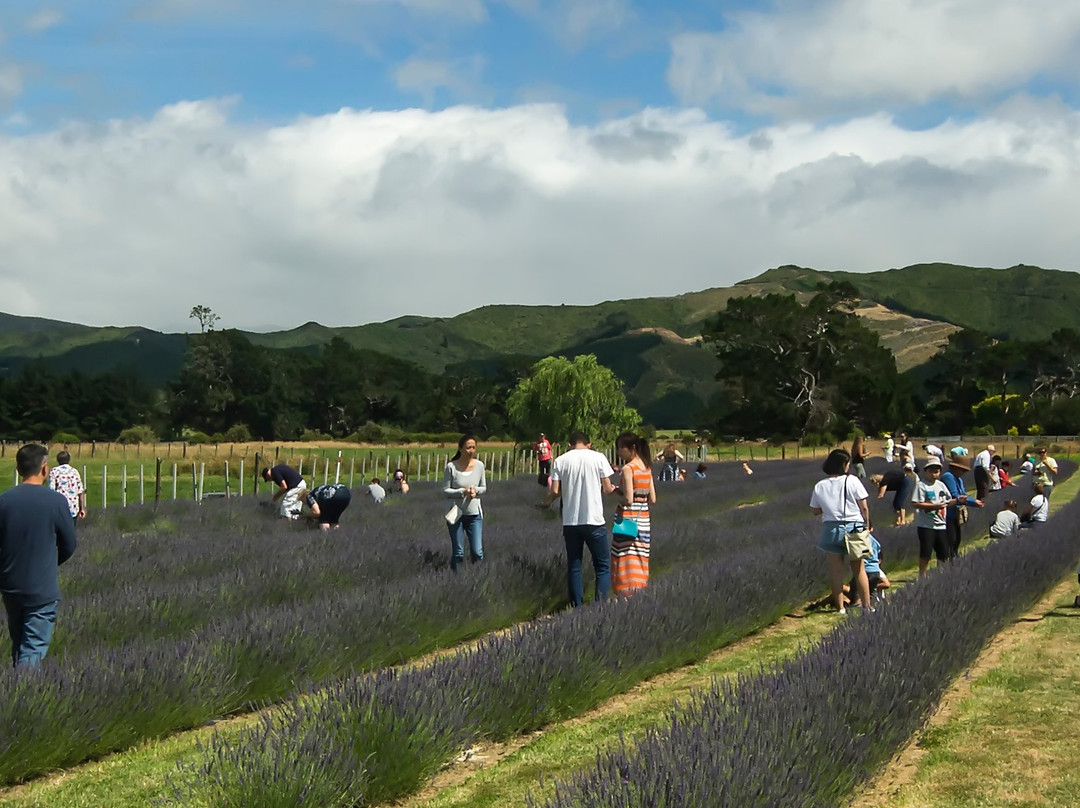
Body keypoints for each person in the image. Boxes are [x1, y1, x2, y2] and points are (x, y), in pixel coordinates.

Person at [0, 444, 77, 666]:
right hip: (42, 587)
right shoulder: (56, 502)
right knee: (33, 648)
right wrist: (50, 562)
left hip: (10, 585)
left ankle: (14, 690)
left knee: (19, 643)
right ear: (45, 468)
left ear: (18, 469)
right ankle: (23, 695)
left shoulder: (4, 501)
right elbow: (69, 545)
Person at [543, 430, 617, 606]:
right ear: (588, 444)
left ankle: (577, 605)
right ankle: (600, 605)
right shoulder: (598, 457)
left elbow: (554, 491)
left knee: (574, 566)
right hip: (594, 520)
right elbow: (607, 489)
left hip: (571, 521)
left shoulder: (561, 460)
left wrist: (544, 503)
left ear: (570, 444)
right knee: (602, 565)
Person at [809, 448, 872, 615]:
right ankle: (867, 605)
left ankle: (840, 608)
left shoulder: (820, 485)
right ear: (845, 465)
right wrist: (867, 524)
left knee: (836, 572)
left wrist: (830, 508)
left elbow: (815, 510)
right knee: (859, 569)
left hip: (830, 528)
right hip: (853, 527)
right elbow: (863, 507)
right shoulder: (852, 481)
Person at [610, 432, 657, 597]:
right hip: (643, 518)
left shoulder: (628, 468)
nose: (619, 452)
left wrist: (615, 491)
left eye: (621, 448)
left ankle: (625, 593)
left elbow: (628, 499)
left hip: (628, 519)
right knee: (640, 556)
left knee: (624, 556)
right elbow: (653, 498)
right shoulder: (646, 467)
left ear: (632, 448)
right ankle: (640, 590)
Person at [442, 434, 487, 571]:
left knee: (477, 552)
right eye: (468, 447)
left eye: (473, 447)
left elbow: (484, 487)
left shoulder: (479, 465)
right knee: (459, 553)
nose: (471, 450)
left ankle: (478, 576)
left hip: (474, 514)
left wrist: (475, 491)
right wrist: (462, 491)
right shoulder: (451, 467)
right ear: (461, 449)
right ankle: (456, 579)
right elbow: (445, 490)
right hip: (456, 514)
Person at [911, 456, 954, 576]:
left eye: (937, 472)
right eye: (931, 472)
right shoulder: (921, 485)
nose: (934, 475)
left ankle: (941, 574)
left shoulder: (941, 485)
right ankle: (922, 576)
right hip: (926, 525)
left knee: (944, 553)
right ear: (926, 471)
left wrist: (959, 500)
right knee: (926, 553)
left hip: (941, 524)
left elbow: (948, 501)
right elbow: (915, 503)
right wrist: (934, 506)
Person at [940, 455, 983, 558]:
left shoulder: (959, 479)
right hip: (948, 514)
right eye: (962, 470)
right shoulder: (948, 476)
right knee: (951, 540)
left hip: (956, 514)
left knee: (956, 540)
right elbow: (955, 495)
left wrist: (972, 501)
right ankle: (948, 563)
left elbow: (963, 494)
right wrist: (973, 502)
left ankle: (953, 561)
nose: (963, 473)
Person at [847, 533, 890, 606]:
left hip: (865, 569)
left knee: (856, 590)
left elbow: (887, 584)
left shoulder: (858, 539)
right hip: (873, 571)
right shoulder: (875, 542)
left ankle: (857, 603)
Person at [48, 450, 85, 529]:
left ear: (58, 460)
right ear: (69, 460)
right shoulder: (74, 471)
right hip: (73, 507)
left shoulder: (54, 471)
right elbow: (80, 491)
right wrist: (82, 508)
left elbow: (51, 490)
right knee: (71, 532)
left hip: (59, 508)